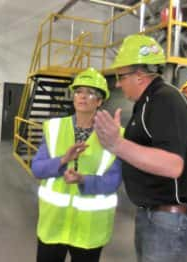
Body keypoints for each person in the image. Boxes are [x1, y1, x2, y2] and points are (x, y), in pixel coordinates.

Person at [94, 34, 187, 262]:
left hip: (171, 222)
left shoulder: (164, 100)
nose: (117, 83)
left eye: (121, 76)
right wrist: (116, 143)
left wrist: (117, 143)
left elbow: (172, 165)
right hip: (159, 217)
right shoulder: (148, 103)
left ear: (139, 76)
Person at [31, 67, 122, 262]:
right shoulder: (54, 128)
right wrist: (63, 160)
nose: (83, 96)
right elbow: (37, 169)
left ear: (100, 101)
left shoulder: (114, 134)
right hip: (53, 225)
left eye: (90, 93)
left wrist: (83, 179)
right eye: (79, 91)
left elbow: (112, 181)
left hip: (88, 230)